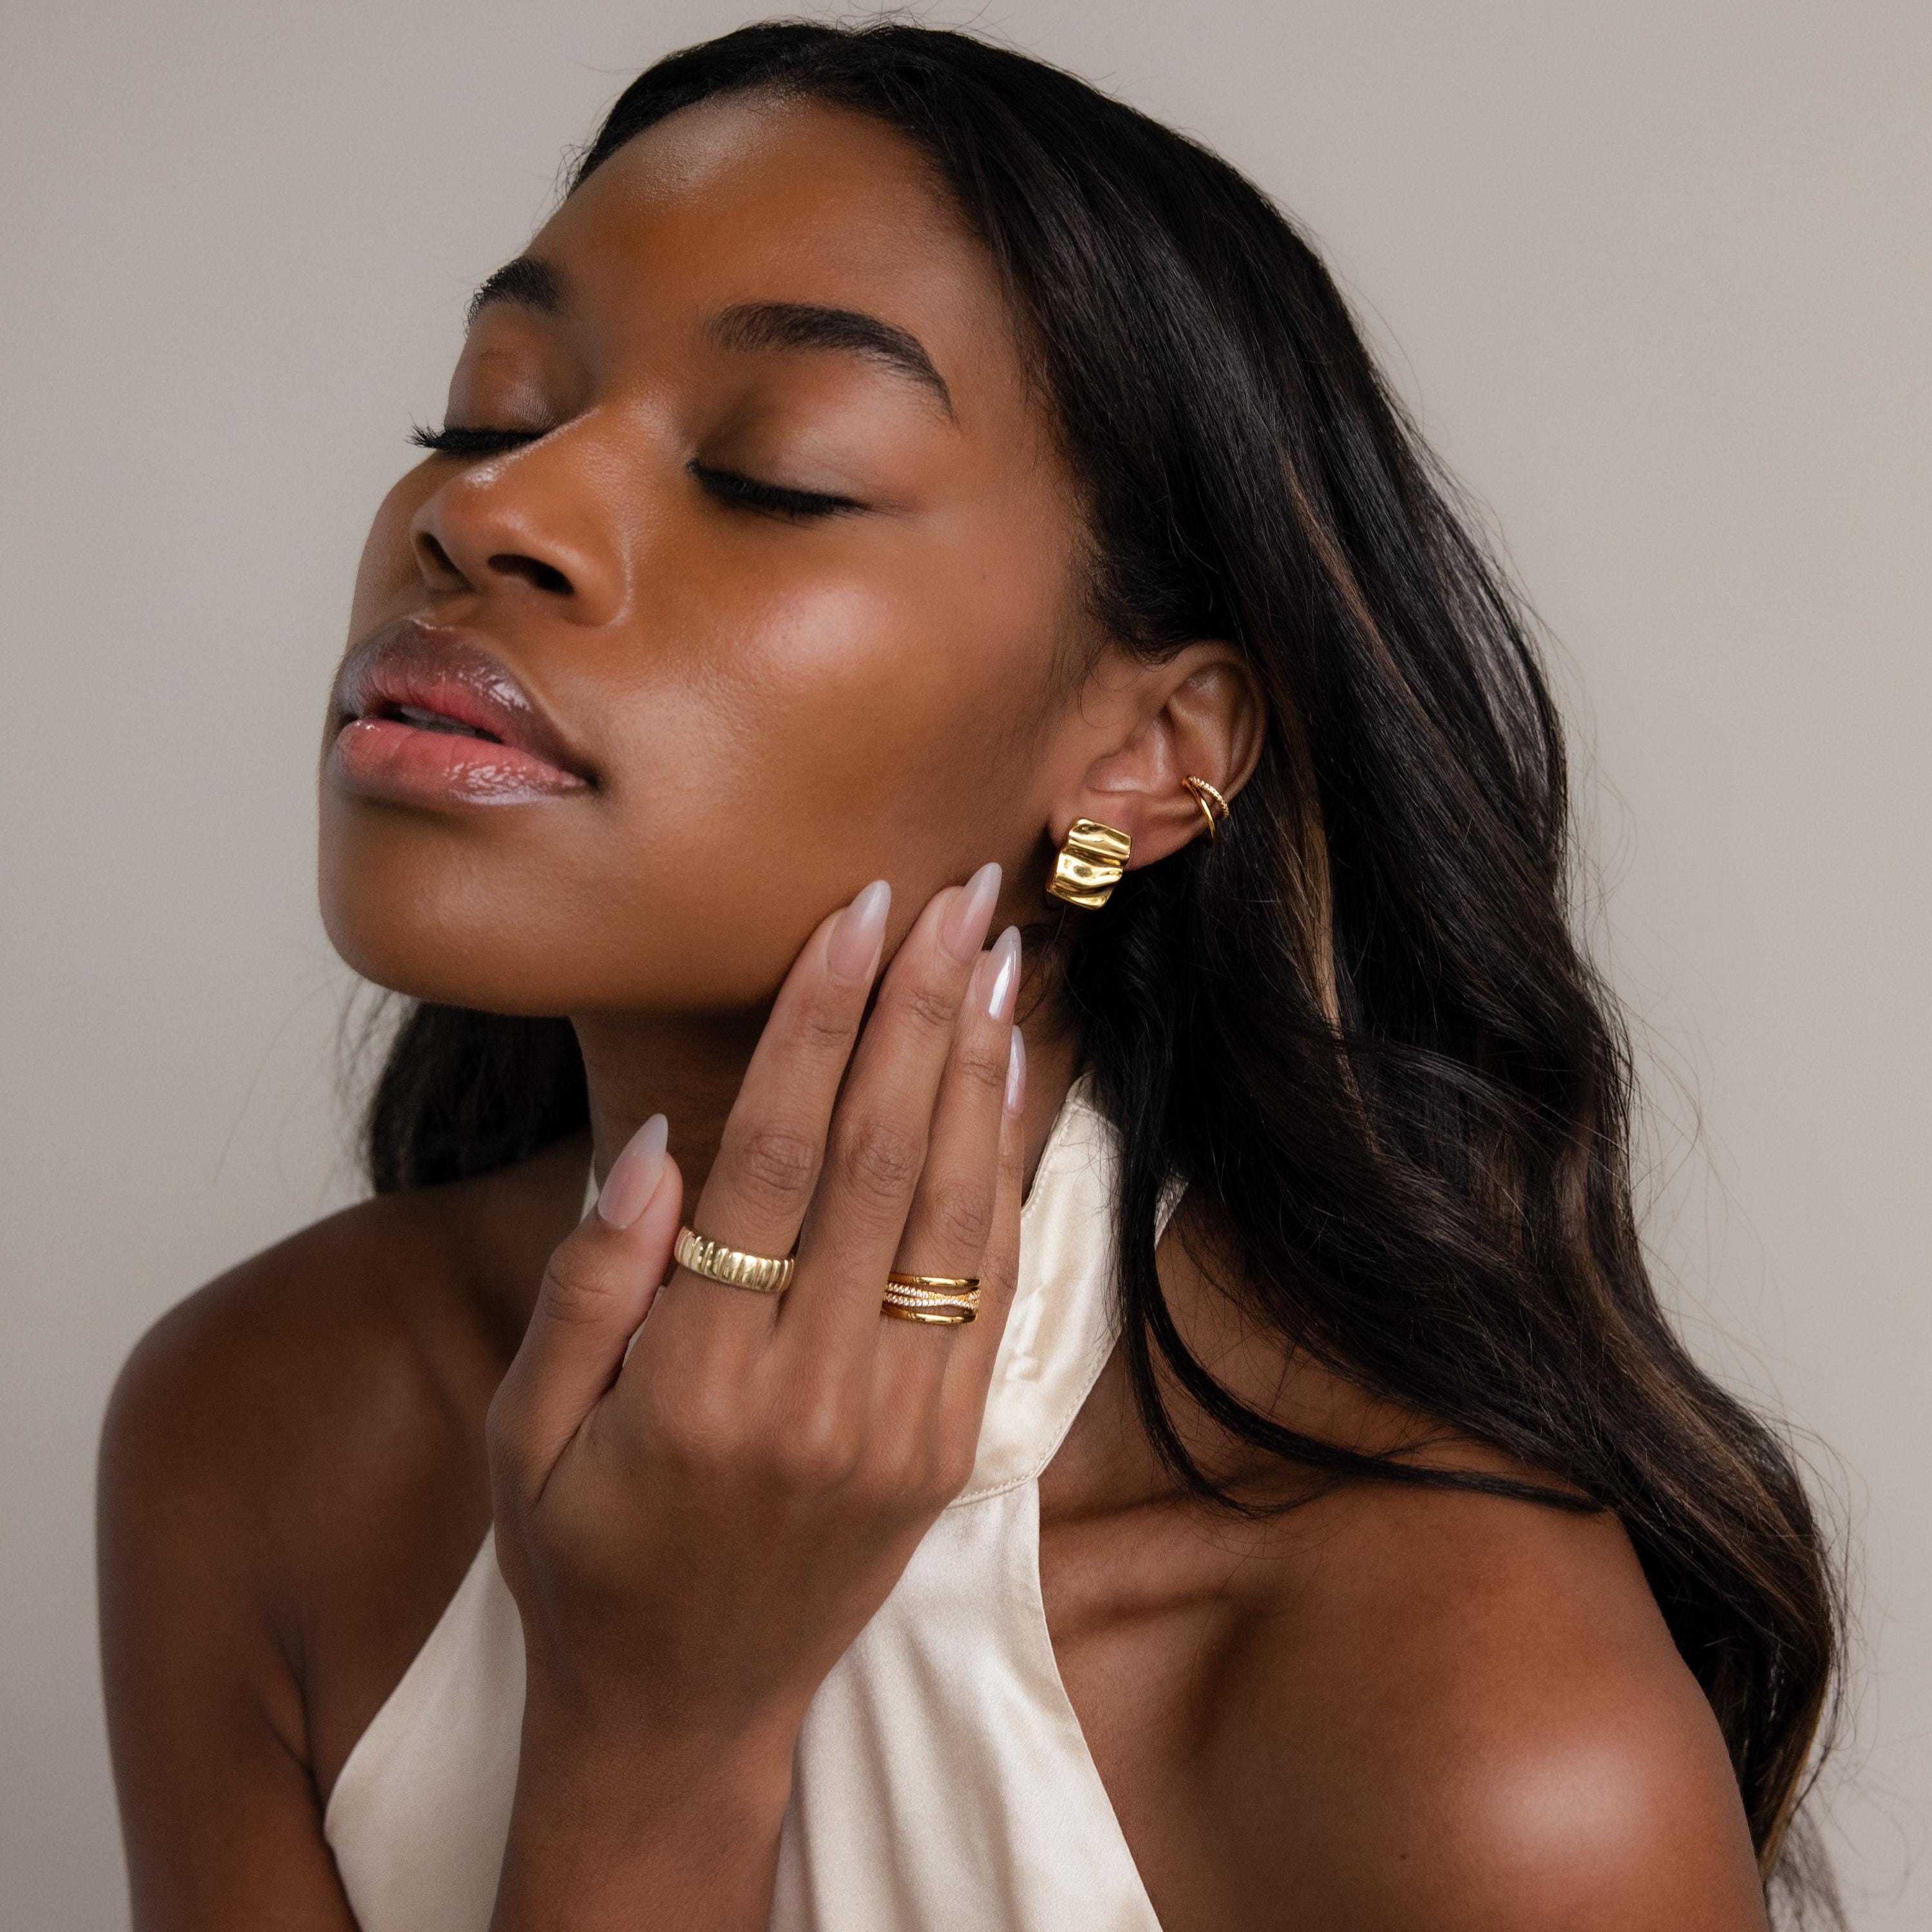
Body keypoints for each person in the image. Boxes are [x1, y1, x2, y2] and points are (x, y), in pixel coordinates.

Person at [97, 19, 1844, 1931]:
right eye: (490, 411)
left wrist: (672, 1730)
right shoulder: (269, 1429)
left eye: (773, 474)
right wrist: (648, 1726)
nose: (481, 512)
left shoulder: (1479, 1722)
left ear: (1150, 757)